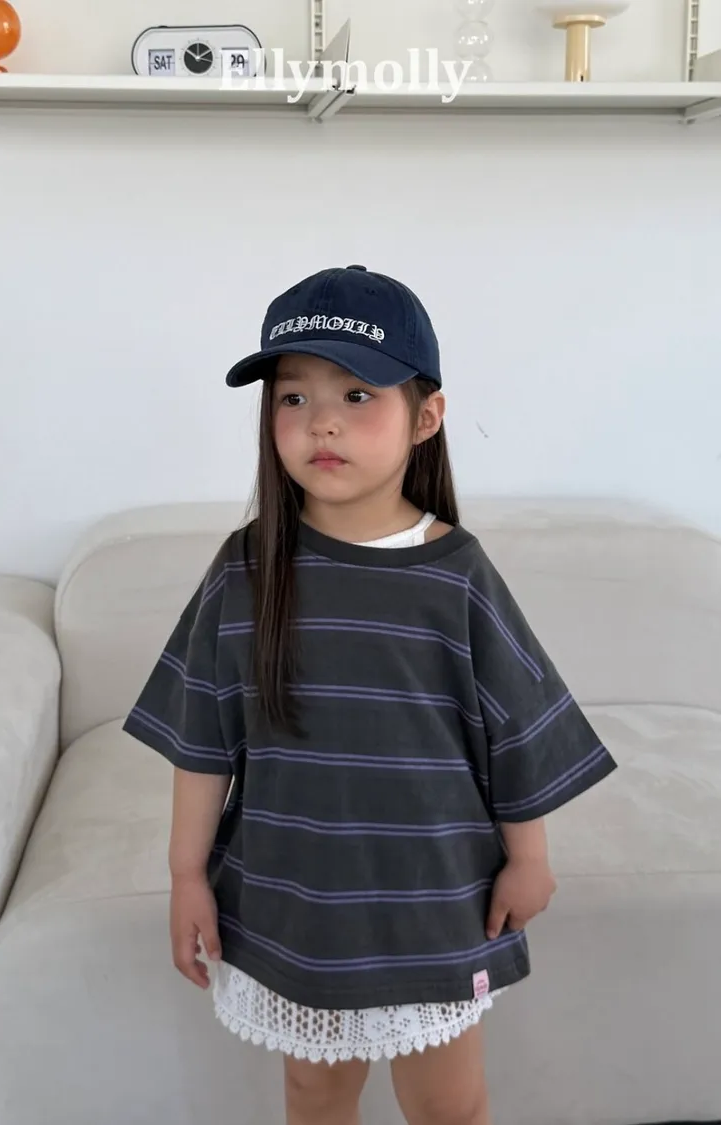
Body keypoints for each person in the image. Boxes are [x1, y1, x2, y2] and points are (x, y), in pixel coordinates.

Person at [123, 264, 617, 1125]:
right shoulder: (246, 569)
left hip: (436, 899)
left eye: (357, 394)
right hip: (295, 898)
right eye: (293, 397)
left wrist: (530, 858)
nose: (322, 420)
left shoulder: (456, 573)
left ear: (426, 415)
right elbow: (203, 737)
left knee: (447, 1104)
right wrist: (185, 875)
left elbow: (515, 730)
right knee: (316, 1091)